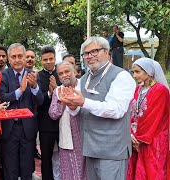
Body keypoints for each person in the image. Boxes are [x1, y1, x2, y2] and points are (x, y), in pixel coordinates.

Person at [61, 36, 136, 179]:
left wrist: (83, 102)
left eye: (94, 51)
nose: (89, 56)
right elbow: (77, 111)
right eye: (86, 54)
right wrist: (70, 104)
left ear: (107, 52)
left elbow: (116, 110)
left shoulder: (121, 76)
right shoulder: (83, 79)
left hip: (112, 150)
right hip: (90, 148)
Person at [0, 43, 43, 180]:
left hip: (27, 129)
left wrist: (34, 87)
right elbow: (2, 97)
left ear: (24, 58)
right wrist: (20, 91)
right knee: (10, 168)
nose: (17, 60)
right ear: (9, 59)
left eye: (20, 56)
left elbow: (40, 101)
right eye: (13, 57)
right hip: (9, 128)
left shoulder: (33, 75)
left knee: (26, 168)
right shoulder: (3, 75)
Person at [127, 58, 169, 180]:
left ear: (148, 72)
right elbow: (132, 114)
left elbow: (154, 117)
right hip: (136, 139)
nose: (134, 75)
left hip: (154, 139)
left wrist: (138, 138)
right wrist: (131, 134)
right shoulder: (137, 90)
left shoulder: (161, 90)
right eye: (133, 72)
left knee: (152, 171)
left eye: (137, 72)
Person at [49, 61, 87, 180]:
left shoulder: (84, 86)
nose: (64, 75)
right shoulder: (57, 91)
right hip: (67, 138)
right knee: (69, 173)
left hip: (85, 136)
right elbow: (53, 114)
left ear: (74, 72)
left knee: (87, 171)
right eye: (60, 73)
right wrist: (62, 101)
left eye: (67, 72)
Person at [37, 46, 61, 180]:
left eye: (51, 59)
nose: (48, 62)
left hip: (63, 123)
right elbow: (37, 100)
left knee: (64, 156)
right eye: (45, 59)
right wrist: (49, 93)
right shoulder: (38, 76)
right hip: (45, 124)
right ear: (41, 61)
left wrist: (58, 91)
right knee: (46, 157)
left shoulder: (62, 73)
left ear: (55, 58)